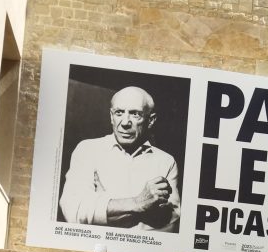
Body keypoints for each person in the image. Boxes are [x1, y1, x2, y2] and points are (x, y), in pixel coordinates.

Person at [59, 86, 180, 233]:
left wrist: (105, 204)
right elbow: (74, 212)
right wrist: (138, 203)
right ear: (111, 116)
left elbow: (169, 226)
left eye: (135, 114)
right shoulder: (87, 150)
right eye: (119, 113)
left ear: (151, 121)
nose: (125, 122)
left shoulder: (166, 161)